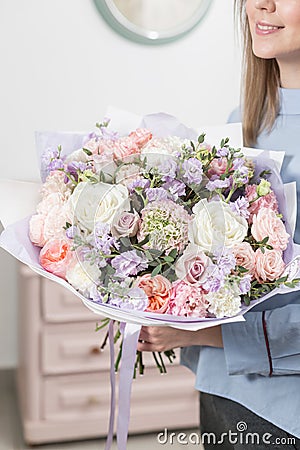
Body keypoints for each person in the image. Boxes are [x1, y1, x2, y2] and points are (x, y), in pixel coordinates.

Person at [137, 0, 300, 448]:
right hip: (220, 396)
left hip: (285, 415)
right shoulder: (241, 125)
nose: (262, 4)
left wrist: (207, 333)